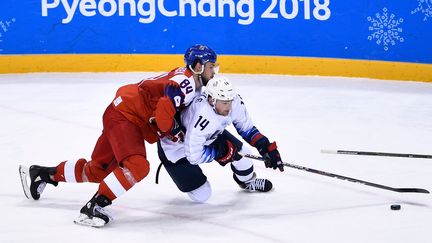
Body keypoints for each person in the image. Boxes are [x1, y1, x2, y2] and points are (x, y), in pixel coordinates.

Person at [20, 44, 218, 227]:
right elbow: (163, 115)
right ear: (198, 66)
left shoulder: (190, 80)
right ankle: (94, 208)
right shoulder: (187, 82)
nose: (214, 71)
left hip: (121, 112)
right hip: (126, 116)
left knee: (98, 170)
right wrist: (175, 133)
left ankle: (42, 174)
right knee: (138, 166)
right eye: (211, 66)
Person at [157, 76, 284, 203]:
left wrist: (265, 146)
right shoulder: (202, 116)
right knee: (202, 194)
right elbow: (193, 156)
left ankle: (247, 182)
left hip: (207, 135)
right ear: (211, 100)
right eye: (224, 103)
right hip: (175, 147)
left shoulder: (234, 102)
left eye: (229, 101)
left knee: (244, 153)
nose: (229, 107)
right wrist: (220, 153)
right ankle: (174, 168)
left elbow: (247, 129)